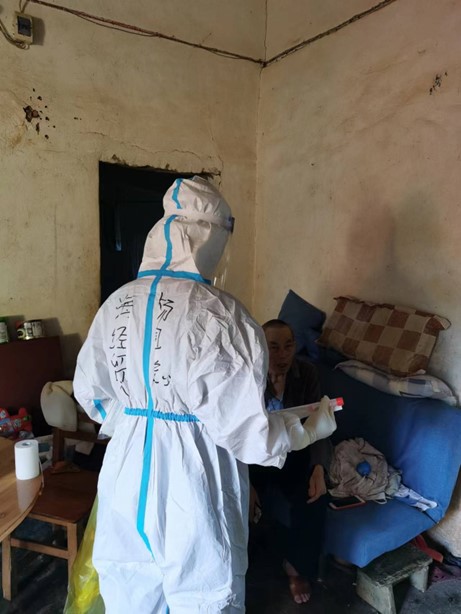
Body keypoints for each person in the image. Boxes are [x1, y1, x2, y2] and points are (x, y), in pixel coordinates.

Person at [73, 176, 337, 614]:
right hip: (196, 474)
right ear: (211, 240)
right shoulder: (222, 314)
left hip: (126, 469)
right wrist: (304, 431)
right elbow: (247, 434)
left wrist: (140, 418)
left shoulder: (116, 304)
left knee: (129, 587)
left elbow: (92, 395)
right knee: (205, 591)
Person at [249, 319, 332, 605]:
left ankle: (296, 569)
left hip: (294, 452)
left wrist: (319, 468)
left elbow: (317, 424)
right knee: (235, 495)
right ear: (261, 348)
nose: (282, 355)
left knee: (315, 496)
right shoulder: (249, 377)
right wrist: (245, 482)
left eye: (288, 346)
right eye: (273, 347)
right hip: (257, 455)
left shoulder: (306, 373)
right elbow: (237, 434)